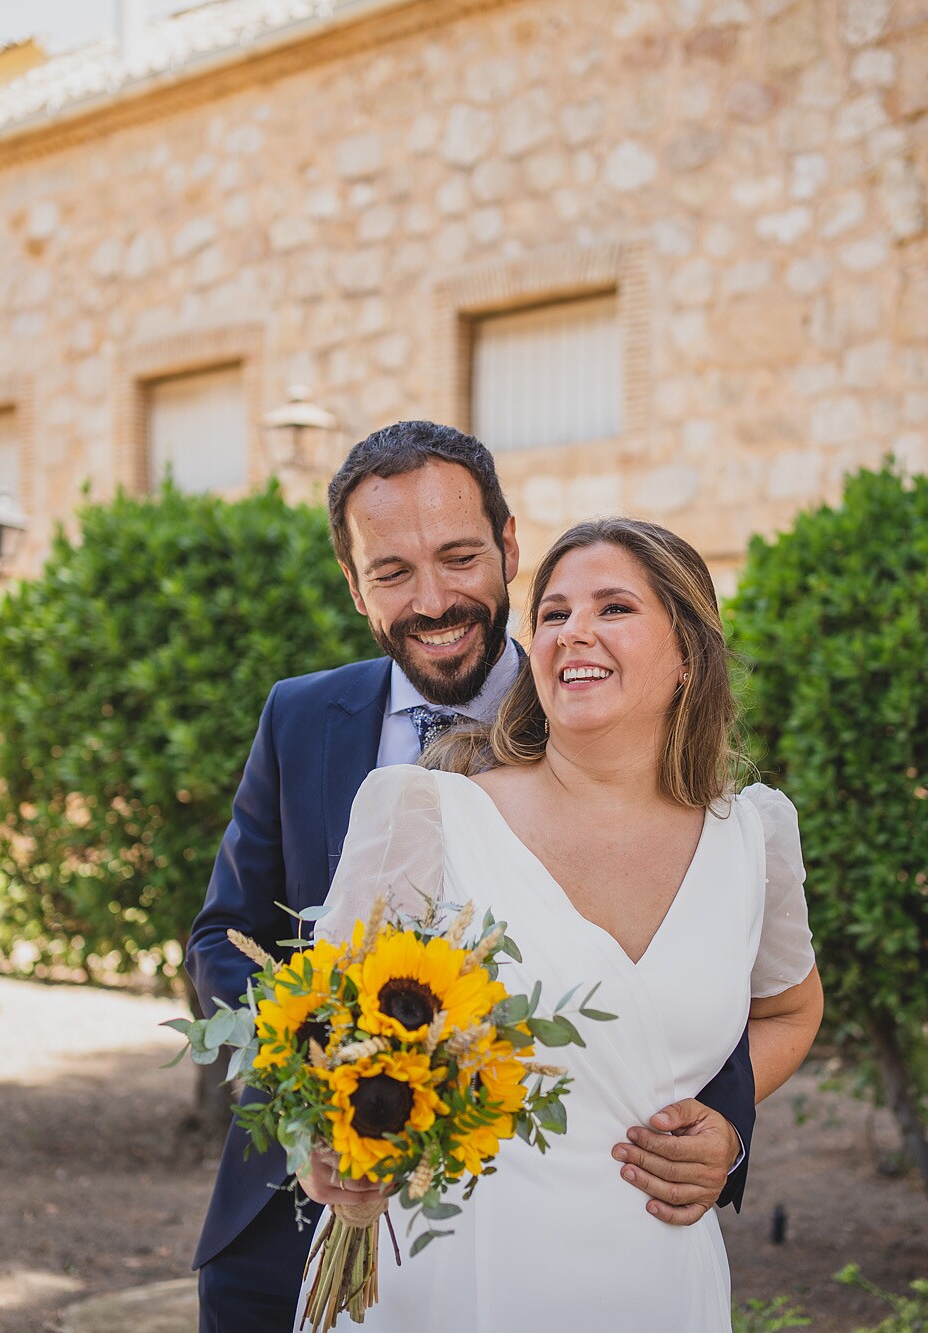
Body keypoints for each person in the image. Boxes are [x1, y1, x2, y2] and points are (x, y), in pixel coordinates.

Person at [184, 425, 762, 1332]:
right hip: (281, 1231)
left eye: (459, 557)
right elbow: (224, 934)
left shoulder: (604, 707)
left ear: (509, 548)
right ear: (354, 583)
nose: (434, 599)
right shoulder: (298, 716)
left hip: (544, 1249)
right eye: (392, 571)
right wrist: (327, 1082)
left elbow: (680, 948)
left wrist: (724, 1121)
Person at [296, 516, 823, 1329]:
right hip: (447, 1273)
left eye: (614, 607)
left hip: (655, 1278)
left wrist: (727, 1120)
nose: (574, 630)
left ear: (688, 654)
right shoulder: (425, 813)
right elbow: (324, 1035)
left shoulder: (754, 837)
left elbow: (790, 1007)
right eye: (553, 613)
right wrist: (330, 1152)